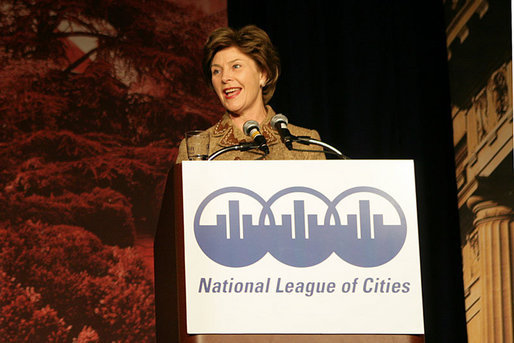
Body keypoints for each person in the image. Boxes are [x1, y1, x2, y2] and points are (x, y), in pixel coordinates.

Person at [175, 25, 325, 162]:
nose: (225, 77)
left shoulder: (306, 144)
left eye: (236, 66)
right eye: (216, 71)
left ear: (263, 75)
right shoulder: (195, 149)